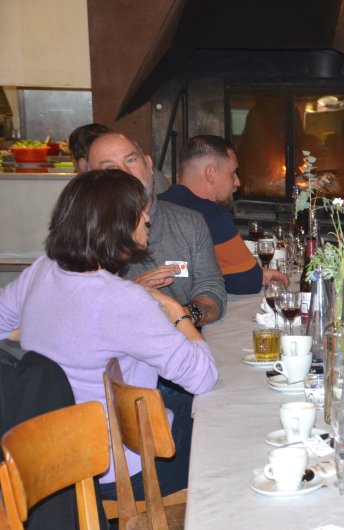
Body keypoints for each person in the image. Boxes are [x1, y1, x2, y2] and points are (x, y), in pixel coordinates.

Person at [0, 169, 218, 499]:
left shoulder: (43, 270)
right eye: (140, 211)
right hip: (122, 470)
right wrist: (177, 312)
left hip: (54, 462)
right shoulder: (123, 300)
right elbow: (203, 376)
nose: (148, 217)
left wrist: (32, 330)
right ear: (118, 224)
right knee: (216, 426)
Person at [87, 132, 226, 326]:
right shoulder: (83, 233)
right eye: (110, 168)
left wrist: (182, 316)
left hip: (181, 336)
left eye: (131, 160)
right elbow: (80, 313)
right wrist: (131, 293)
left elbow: (212, 290)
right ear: (90, 181)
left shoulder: (189, 222)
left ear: (149, 165)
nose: (125, 172)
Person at [159, 135, 290, 294]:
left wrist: (257, 274)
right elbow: (247, 281)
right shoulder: (212, 215)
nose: (237, 182)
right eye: (233, 173)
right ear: (211, 173)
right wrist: (255, 276)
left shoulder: (153, 205)